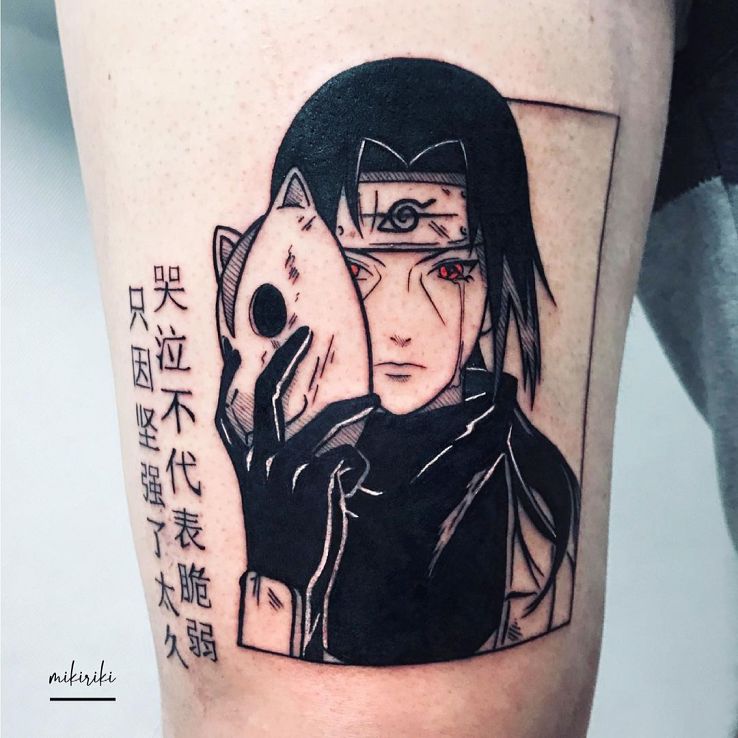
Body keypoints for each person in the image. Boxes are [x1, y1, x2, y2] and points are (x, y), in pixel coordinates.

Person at [214, 60, 580, 665]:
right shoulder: (285, 472)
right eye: (356, 273)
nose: (401, 326)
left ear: (494, 292)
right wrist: (276, 574)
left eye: (450, 270)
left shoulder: (536, 500)